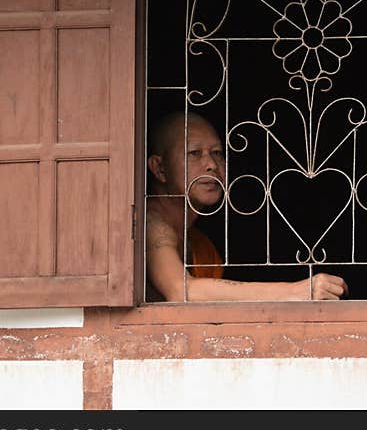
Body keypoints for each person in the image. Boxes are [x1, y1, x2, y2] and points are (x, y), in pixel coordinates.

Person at [146, 111, 349, 301]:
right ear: (160, 168)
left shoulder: (200, 243)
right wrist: (298, 291)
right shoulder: (151, 223)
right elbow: (180, 290)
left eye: (217, 152)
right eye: (194, 153)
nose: (212, 165)